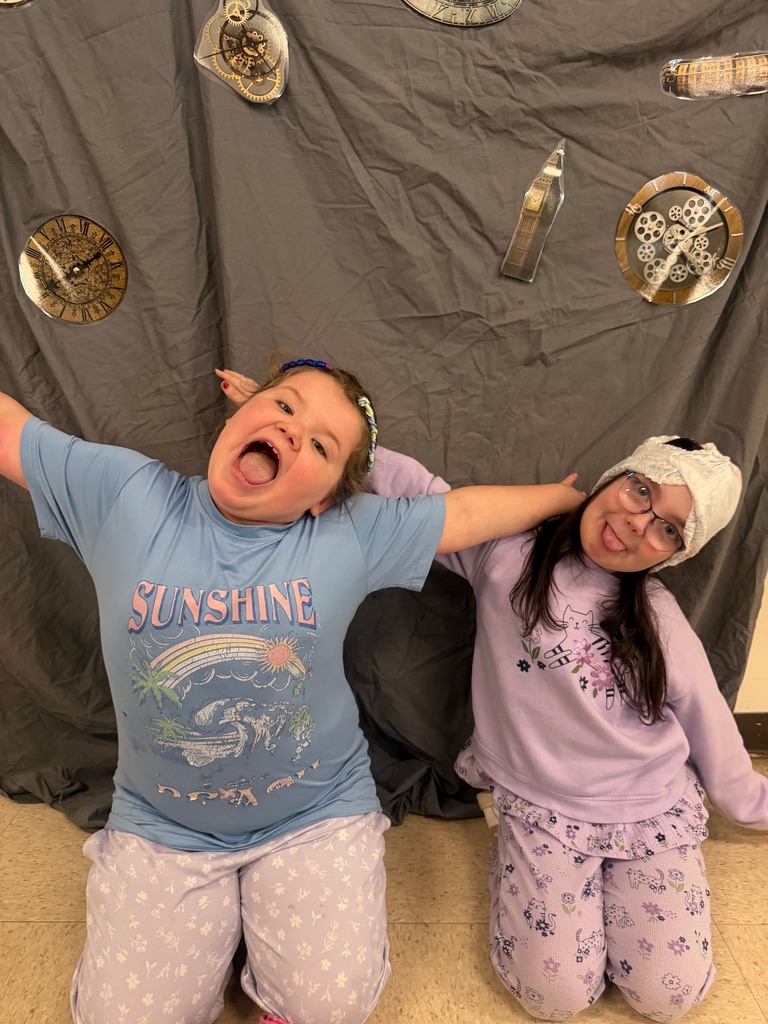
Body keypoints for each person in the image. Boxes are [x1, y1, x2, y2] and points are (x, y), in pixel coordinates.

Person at [0, 355, 583, 1024]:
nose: (290, 431)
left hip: (313, 816)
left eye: (320, 444)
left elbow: (467, 512)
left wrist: (563, 499)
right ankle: (226, 926)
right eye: (284, 407)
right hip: (165, 824)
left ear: (327, 495)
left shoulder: (350, 530)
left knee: (327, 1007)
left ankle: (264, 938)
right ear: (241, 414)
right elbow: (10, 429)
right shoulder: (124, 494)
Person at [218, 370, 768, 1021]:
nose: (635, 521)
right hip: (541, 805)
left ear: (677, 553)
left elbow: (711, 729)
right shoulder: (510, 549)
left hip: (650, 806)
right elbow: (423, 495)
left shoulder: (660, 620)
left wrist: (755, 805)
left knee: (668, 996)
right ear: (617, 475)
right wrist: (315, 434)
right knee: (556, 998)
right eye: (640, 489)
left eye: (668, 529)